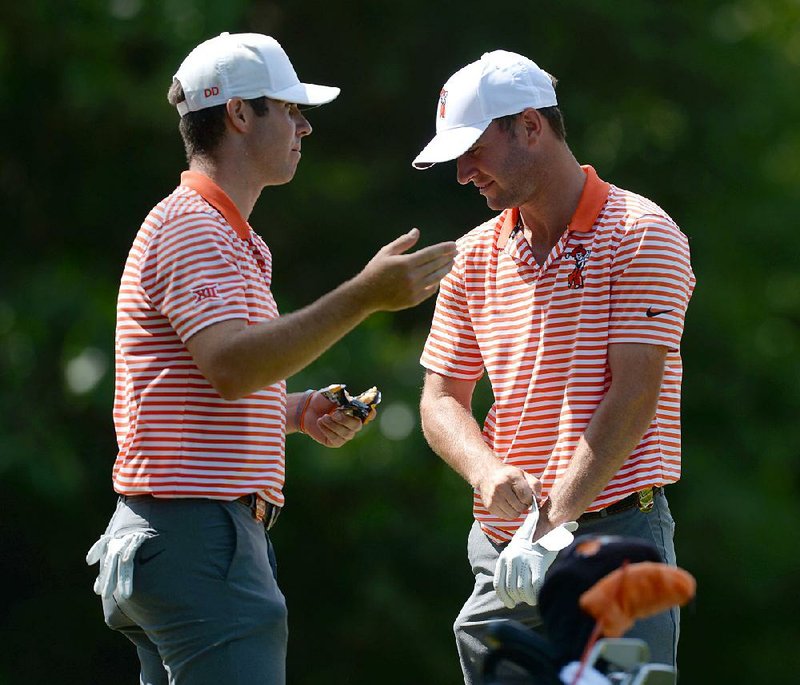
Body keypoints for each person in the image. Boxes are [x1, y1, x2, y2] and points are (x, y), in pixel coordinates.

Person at [86, 32, 456, 684]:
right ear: (237, 113)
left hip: (178, 533)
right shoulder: (196, 226)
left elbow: (202, 381)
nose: (305, 126)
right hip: (200, 536)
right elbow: (231, 366)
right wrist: (364, 297)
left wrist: (298, 410)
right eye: (289, 108)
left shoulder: (231, 237)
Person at [413, 50, 695, 684]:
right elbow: (439, 401)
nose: (462, 173)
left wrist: (551, 520)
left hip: (615, 542)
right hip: (504, 553)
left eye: (474, 149)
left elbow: (633, 398)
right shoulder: (472, 256)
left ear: (531, 126)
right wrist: (484, 471)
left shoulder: (640, 233)